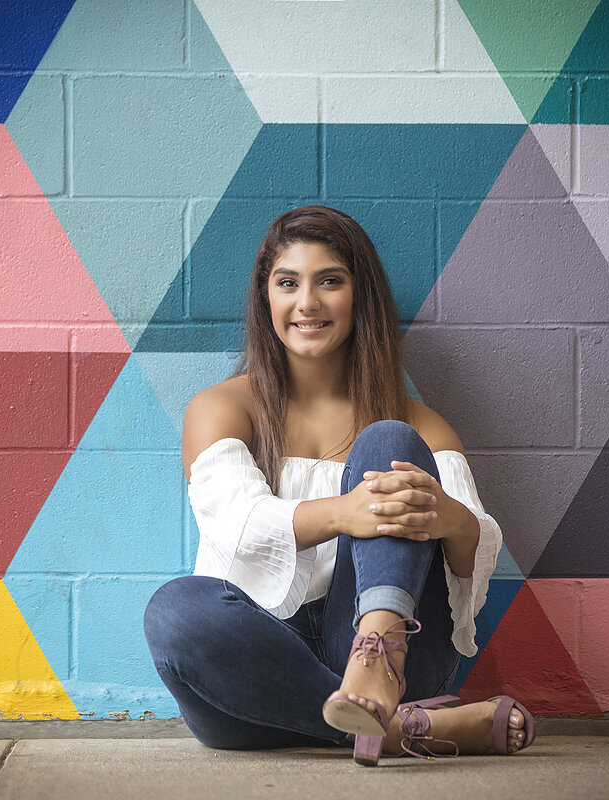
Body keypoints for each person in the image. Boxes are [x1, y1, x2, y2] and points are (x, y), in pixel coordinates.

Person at [144, 205, 535, 766]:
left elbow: (475, 555)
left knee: (388, 441)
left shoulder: (420, 425)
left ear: (359, 297)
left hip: (394, 657)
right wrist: (343, 513)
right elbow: (237, 528)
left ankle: (376, 658)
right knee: (173, 611)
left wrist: (451, 520)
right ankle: (400, 730)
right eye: (288, 283)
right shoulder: (222, 407)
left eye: (330, 281)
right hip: (254, 679)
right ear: (266, 299)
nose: (307, 302)